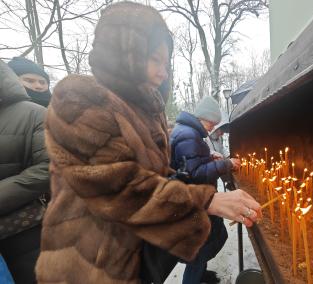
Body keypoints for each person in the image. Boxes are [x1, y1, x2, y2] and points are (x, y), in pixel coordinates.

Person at [35, 3, 260, 284]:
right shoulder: (81, 101)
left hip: (129, 254)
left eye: (166, 63)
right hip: (89, 262)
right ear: (124, 55)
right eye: (155, 59)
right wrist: (207, 199)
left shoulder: (142, 110)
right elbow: (118, 188)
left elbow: (151, 175)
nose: (163, 72)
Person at [170, 97, 241, 284]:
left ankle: (200, 275)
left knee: (207, 243)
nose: (212, 128)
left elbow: (188, 162)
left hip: (196, 200)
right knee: (199, 251)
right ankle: (193, 279)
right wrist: (226, 164)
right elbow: (194, 174)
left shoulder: (188, 132)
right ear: (202, 117)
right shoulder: (189, 134)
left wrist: (210, 156)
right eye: (211, 123)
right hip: (193, 203)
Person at [0, 59, 50, 283]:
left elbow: (49, 167)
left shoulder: (35, 113)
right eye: (30, 80)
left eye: (42, 81)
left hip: (27, 227)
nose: (38, 86)